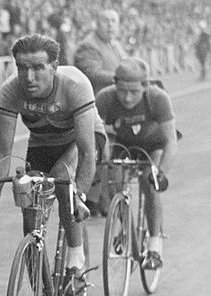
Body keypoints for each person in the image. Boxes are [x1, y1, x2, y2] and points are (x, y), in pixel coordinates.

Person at [0, 33, 106, 294]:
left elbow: (85, 151)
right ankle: (40, 294)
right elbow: (3, 150)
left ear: (55, 67)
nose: (28, 77)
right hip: (44, 141)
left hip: (82, 139)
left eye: (38, 67)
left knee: (62, 179)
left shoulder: (74, 85)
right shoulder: (11, 90)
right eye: (22, 67)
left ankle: (76, 263)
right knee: (29, 206)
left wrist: (79, 195)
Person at [95, 57, 178, 270]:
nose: (127, 97)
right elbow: (97, 134)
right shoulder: (105, 98)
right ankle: (126, 229)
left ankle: (154, 244)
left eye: (134, 91)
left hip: (153, 145)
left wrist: (161, 174)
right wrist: (101, 162)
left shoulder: (157, 98)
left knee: (149, 184)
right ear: (114, 84)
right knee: (114, 183)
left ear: (145, 86)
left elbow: (171, 141)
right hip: (122, 144)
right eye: (122, 90)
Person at [74, 9, 127, 216]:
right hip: (93, 105)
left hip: (114, 104)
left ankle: (106, 201)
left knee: (110, 154)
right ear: (97, 23)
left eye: (114, 21)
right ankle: (94, 201)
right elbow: (91, 72)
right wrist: (122, 76)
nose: (110, 25)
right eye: (106, 20)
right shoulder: (89, 45)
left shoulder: (115, 45)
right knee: (98, 153)